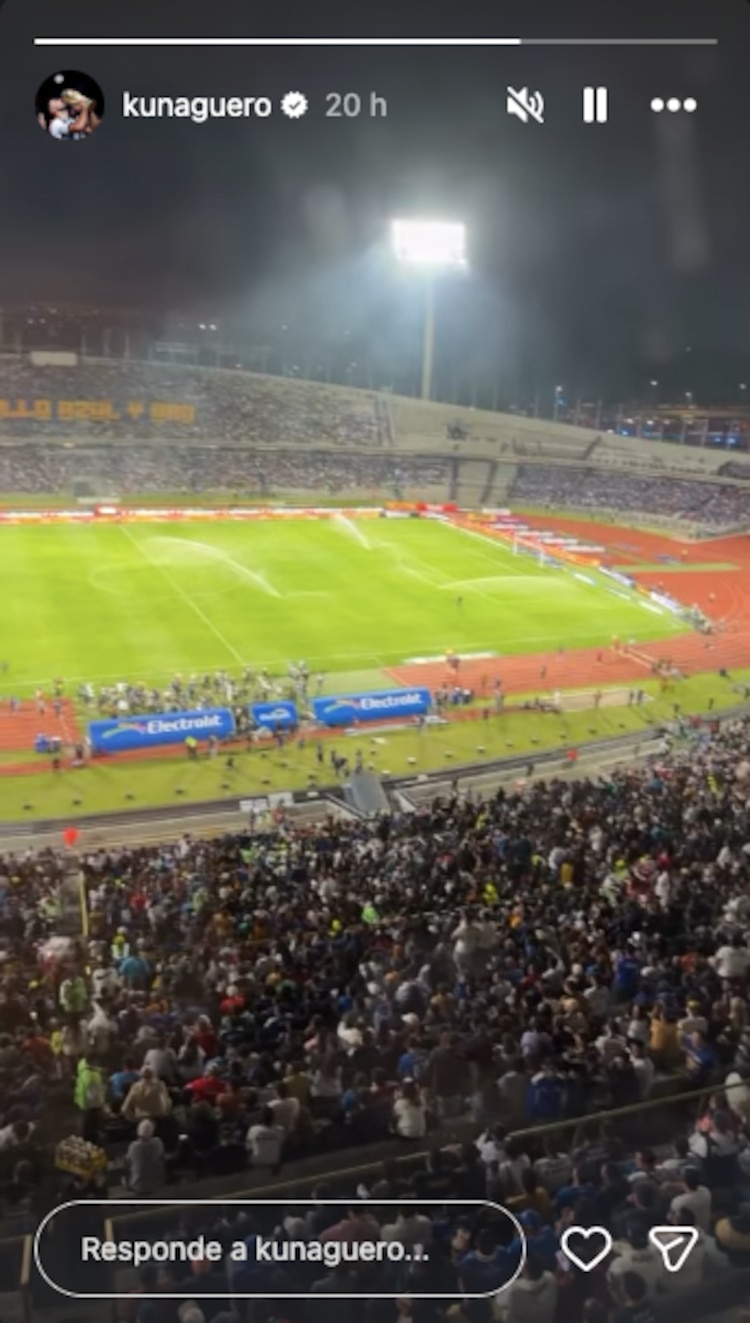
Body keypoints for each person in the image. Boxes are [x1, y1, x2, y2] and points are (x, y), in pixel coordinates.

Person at [125, 1119, 166, 1194]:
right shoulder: (158, 1142)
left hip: (137, 1185)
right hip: (157, 1184)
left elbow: (128, 1162)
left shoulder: (133, 1146)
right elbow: (161, 1157)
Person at [245, 1106, 285, 1173]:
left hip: (257, 1164)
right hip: (273, 1163)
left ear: (261, 1118)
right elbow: (281, 1146)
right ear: (273, 1117)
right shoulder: (280, 1130)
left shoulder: (253, 1130)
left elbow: (248, 1148)